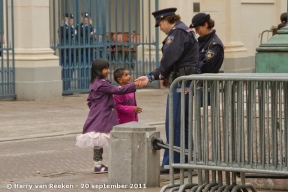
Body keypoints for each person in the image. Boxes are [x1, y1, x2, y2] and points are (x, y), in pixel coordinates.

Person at [134, 7, 200, 174]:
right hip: (183, 80)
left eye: (160, 24)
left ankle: (173, 162)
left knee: (175, 122)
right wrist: (160, 75)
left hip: (182, 82)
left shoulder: (177, 32)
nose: (160, 28)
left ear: (165, 20)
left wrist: (152, 76)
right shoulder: (183, 30)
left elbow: (170, 57)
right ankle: (185, 159)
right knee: (181, 123)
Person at [75, 58, 139, 174]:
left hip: (99, 113)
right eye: (106, 68)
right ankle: (98, 164)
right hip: (102, 115)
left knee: (100, 139)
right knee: (99, 138)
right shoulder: (101, 84)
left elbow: (89, 100)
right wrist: (134, 85)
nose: (108, 71)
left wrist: (96, 108)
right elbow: (116, 90)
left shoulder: (96, 83)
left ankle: (99, 164)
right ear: (99, 70)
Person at [76, 12, 95, 89]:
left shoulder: (91, 27)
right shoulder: (79, 26)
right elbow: (79, 36)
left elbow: (94, 38)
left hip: (90, 50)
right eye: (84, 18)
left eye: (87, 18)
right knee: (82, 66)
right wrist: (90, 34)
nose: (86, 19)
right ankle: (81, 85)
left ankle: (88, 84)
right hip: (82, 50)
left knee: (89, 67)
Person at [59, 13, 77, 91]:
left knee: (71, 68)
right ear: (66, 19)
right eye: (70, 19)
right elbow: (64, 36)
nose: (71, 20)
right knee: (66, 68)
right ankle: (65, 87)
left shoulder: (73, 28)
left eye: (72, 19)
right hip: (65, 51)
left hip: (72, 51)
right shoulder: (62, 27)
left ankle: (68, 86)